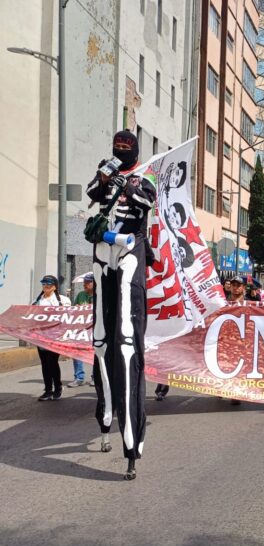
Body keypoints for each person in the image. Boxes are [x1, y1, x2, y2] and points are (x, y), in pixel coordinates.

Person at [87, 129, 156, 479]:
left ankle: (132, 440)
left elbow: (146, 204)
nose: (121, 151)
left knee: (126, 338)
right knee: (101, 337)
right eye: (118, 147)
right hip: (102, 249)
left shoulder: (146, 177)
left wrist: (126, 183)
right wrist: (104, 177)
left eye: (126, 148)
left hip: (130, 248)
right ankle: (105, 417)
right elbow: (92, 195)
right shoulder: (106, 167)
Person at [33, 275, 72, 401]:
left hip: (55, 337)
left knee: (52, 362)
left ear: (54, 286)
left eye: (48, 284)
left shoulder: (63, 300)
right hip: (41, 337)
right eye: (44, 283)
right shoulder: (38, 300)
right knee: (44, 364)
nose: (46, 286)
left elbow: (68, 317)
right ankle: (48, 390)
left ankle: (58, 388)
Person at [69, 273, 95, 387]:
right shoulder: (80, 295)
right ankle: (79, 377)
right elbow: (74, 311)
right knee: (77, 352)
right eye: (84, 282)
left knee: (96, 354)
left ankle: (96, 377)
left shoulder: (100, 296)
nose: (85, 284)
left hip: (95, 330)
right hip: (81, 329)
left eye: (88, 282)